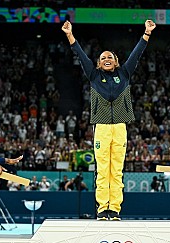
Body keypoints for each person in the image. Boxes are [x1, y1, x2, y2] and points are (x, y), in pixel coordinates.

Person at [62, 19, 156, 221]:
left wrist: (146, 33)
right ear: (98, 63)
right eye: (103, 57)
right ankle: (102, 208)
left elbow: (136, 54)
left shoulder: (124, 73)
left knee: (117, 170)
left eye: (110, 57)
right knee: (103, 170)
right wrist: (70, 35)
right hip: (102, 127)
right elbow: (79, 54)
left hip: (120, 127)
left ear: (116, 62)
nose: (106, 59)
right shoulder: (94, 75)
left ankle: (115, 209)